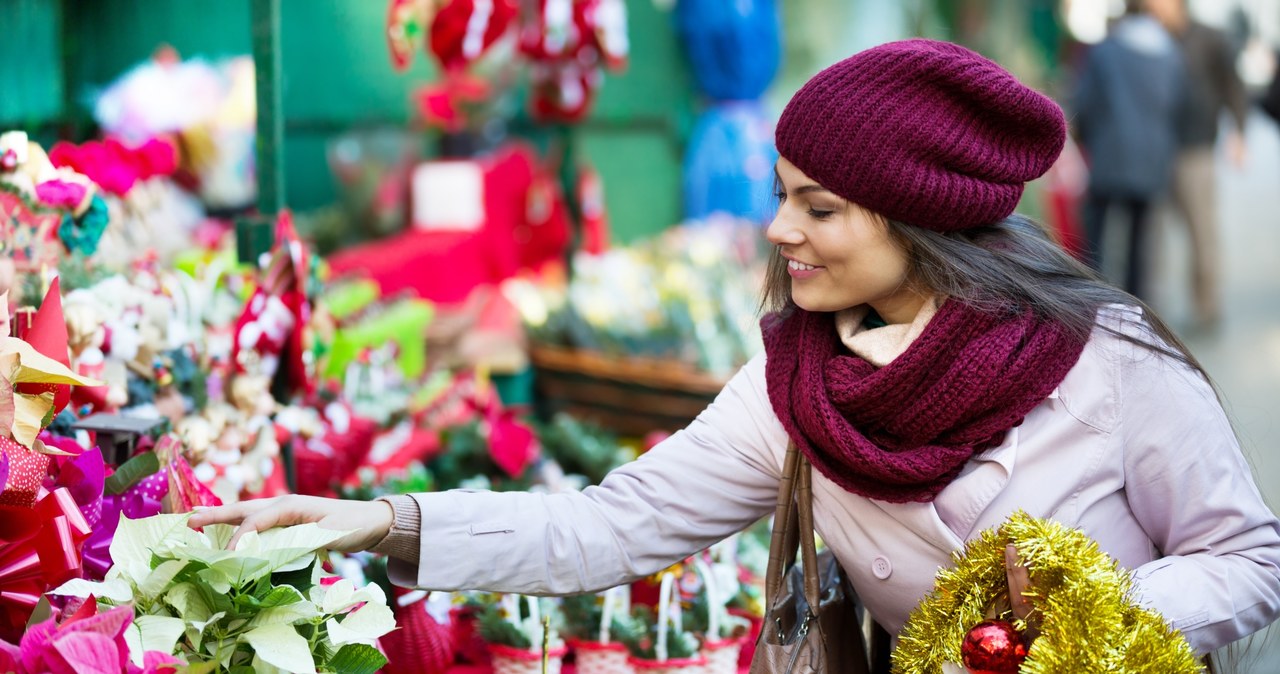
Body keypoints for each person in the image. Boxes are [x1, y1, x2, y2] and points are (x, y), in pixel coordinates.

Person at [189, 39, 1280, 659]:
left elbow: (1249, 559)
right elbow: (608, 525)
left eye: (820, 208)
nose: (776, 230)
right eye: (779, 196)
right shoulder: (795, 387)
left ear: (918, 221)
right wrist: (377, 519)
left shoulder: (1106, 359)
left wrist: (1091, 616)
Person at [1072, 1, 1185, 301]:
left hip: (1109, 153)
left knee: (1096, 236)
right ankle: (1135, 307)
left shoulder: (1106, 51)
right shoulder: (1171, 55)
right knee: (1139, 241)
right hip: (1152, 158)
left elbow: (1085, 101)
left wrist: (1086, 139)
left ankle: (1090, 298)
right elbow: (1176, 106)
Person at [1147, 0, 1249, 330]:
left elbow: (1233, 86)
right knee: (1154, 233)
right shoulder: (1150, 37)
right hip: (1157, 149)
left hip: (1197, 148)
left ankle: (1207, 307)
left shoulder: (1210, 38)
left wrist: (1239, 133)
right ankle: (1151, 309)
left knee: (1201, 231)